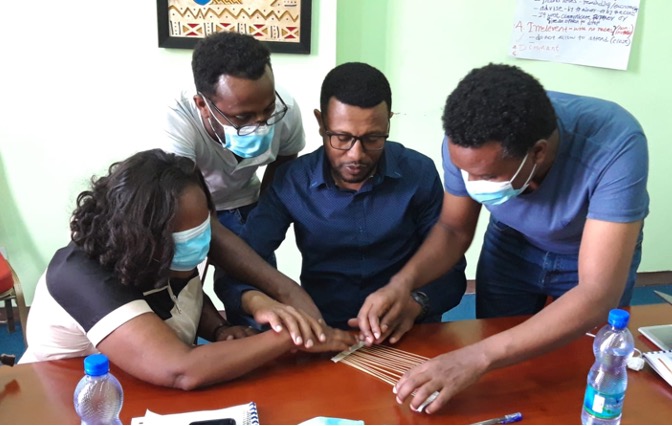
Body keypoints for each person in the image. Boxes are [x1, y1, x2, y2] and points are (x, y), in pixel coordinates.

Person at [356, 64, 649, 413]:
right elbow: (453, 229)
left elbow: (596, 293)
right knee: (501, 364)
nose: (470, 181)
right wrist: (401, 284)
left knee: (583, 368)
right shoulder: (465, 140)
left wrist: (475, 357)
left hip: (588, 255)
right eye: (463, 170)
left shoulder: (615, 144)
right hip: (512, 247)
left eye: (486, 175)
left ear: (538, 153)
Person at [20, 149, 355, 390]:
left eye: (205, 227)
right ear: (145, 235)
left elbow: (181, 296)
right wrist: (292, 335)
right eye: (188, 236)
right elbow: (179, 370)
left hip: (138, 387)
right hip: (67, 396)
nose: (202, 243)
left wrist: (220, 330)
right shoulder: (82, 276)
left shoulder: (165, 252)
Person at [218, 62, 467, 343]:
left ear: (388, 123)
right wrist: (260, 303)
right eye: (342, 137)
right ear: (321, 123)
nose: (355, 155)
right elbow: (240, 265)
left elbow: (452, 270)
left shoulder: (418, 173)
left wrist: (416, 304)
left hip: (407, 329)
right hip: (322, 331)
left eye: (373, 138)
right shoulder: (292, 182)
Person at [162, 30, 325, 345]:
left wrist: (262, 222)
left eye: (266, 110)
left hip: (247, 200)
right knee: (180, 299)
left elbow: (283, 167)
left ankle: (251, 344)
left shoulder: (285, 109)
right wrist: (287, 289)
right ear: (202, 105)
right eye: (243, 117)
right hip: (190, 209)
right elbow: (194, 211)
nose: (262, 122)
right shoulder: (177, 122)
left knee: (257, 300)